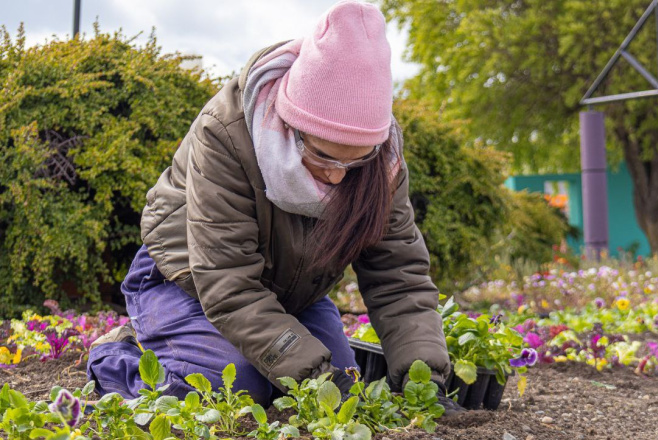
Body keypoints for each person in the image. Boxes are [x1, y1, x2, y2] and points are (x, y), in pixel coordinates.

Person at [86, 0, 462, 414]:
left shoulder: (382, 163)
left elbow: (399, 275)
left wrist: (422, 375)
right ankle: (118, 356)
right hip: (186, 280)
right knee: (234, 389)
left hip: (288, 294)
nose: (338, 176)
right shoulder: (228, 133)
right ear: (292, 124)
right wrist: (311, 373)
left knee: (342, 391)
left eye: (354, 162)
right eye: (323, 155)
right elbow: (227, 281)